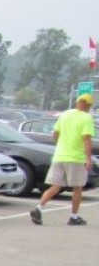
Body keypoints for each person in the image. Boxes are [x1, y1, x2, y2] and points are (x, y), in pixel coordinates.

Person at [30, 93, 94, 226]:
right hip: (75, 158)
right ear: (87, 105)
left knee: (55, 186)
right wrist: (88, 158)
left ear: (77, 102)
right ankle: (74, 216)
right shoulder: (86, 118)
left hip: (59, 156)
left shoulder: (65, 114)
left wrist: (60, 145)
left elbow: (55, 133)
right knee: (78, 188)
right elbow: (86, 138)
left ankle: (39, 208)